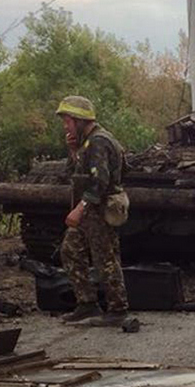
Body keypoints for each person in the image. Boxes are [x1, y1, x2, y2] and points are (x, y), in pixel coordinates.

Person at [56, 95, 129, 326]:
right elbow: (75, 174)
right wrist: (74, 151)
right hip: (89, 211)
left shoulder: (99, 141)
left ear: (79, 120)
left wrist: (80, 208)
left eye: (67, 121)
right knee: (70, 250)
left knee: (105, 259)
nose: (65, 126)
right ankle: (87, 303)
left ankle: (117, 309)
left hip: (98, 209)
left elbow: (101, 182)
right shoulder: (86, 143)